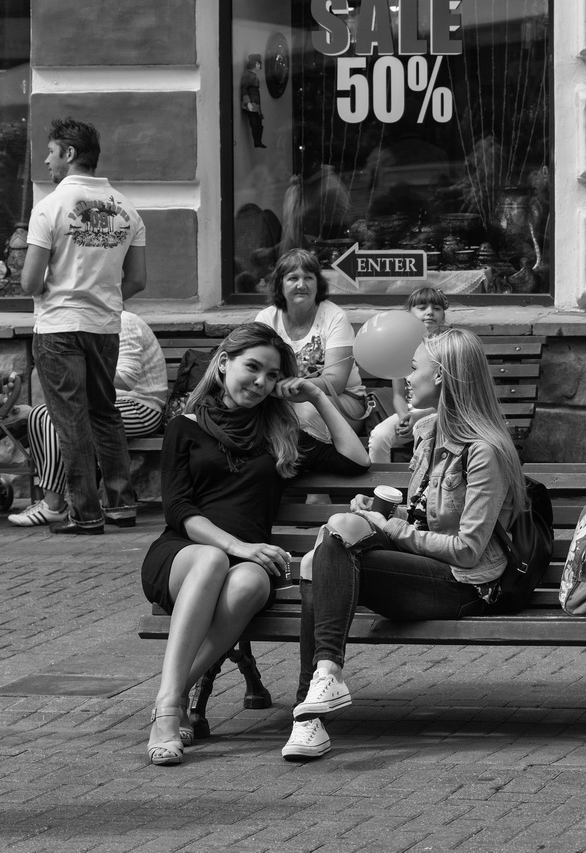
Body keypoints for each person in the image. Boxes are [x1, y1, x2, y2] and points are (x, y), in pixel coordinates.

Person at [281, 328, 528, 762]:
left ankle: (308, 716)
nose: (407, 378)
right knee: (331, 539)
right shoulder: (428, 432)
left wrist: (387, 529)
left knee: (328, 547)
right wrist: (383, 516)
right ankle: (322, 685)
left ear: (446, 379)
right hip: (424, 567)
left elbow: (469, 549)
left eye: (415, 369)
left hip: (465, 585)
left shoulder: (484, 450)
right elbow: (420, 515)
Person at [141, 323, 370, 766]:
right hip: (184, 556)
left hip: (247, 566)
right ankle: (169, 712)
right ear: (224, 363)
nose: (261, 382)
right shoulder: (183, 428)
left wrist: (318, 396)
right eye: (253, 367)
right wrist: (240, 546)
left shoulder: (280, 436)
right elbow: (179, 512)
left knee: (250, 584)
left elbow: (355, 460)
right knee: (212, 560)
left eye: (271, 375)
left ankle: (171, 695)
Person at [20, 117, 146, 534]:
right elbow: (139, 279)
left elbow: (29, 282)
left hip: (58, 326)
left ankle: (85, 514)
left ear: (70, 154)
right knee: (104, 413)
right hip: (105, 324)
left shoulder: (50, 208)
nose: (46, 160)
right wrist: (104, 297)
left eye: (51, 152)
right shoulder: (127, 209)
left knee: (70, 419)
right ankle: (122, 504)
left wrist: (56, 292)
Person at [8, 310, 166, 527]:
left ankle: (53, 505)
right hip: (101, 402)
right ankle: (49, 497)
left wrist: (77, 374)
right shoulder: (83, 325)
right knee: (39, 414)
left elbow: (128, 379)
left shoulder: (124, 321)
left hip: (140, 405)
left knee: (59, 419)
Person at [255, 249, 368, 441]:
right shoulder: (267, 318)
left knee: (303, 411)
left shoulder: (334, 317)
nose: (301, 285)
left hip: (343, 401)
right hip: (284, 399)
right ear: (280, 284)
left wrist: (296, 387)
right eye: (293, 278)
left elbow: (336, 382)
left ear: (318, 284)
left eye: (308, 277)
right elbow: (257, 367)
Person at [367, 285, 449, 462]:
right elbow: (398, 395)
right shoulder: (402, 347)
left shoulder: (448, 346)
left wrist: (417, 416)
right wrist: (404, 416)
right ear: (409, 314)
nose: (429, 312)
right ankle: (380, 487)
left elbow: (448, 395)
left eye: (436, 308)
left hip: (442, 411)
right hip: (410, 411)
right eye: (422, 308)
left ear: (443, 316)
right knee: (379, 436)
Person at [239, 54, 266, 149]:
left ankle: (258, 141)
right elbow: (244, 89)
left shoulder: (254, 76)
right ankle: (257, 141)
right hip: (251, 103)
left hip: (256, 103)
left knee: (259, 124)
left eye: (259, 63)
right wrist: (248, 103)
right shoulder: (248, 76)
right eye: (257, 63)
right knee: (254, 124)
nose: (259, 65)